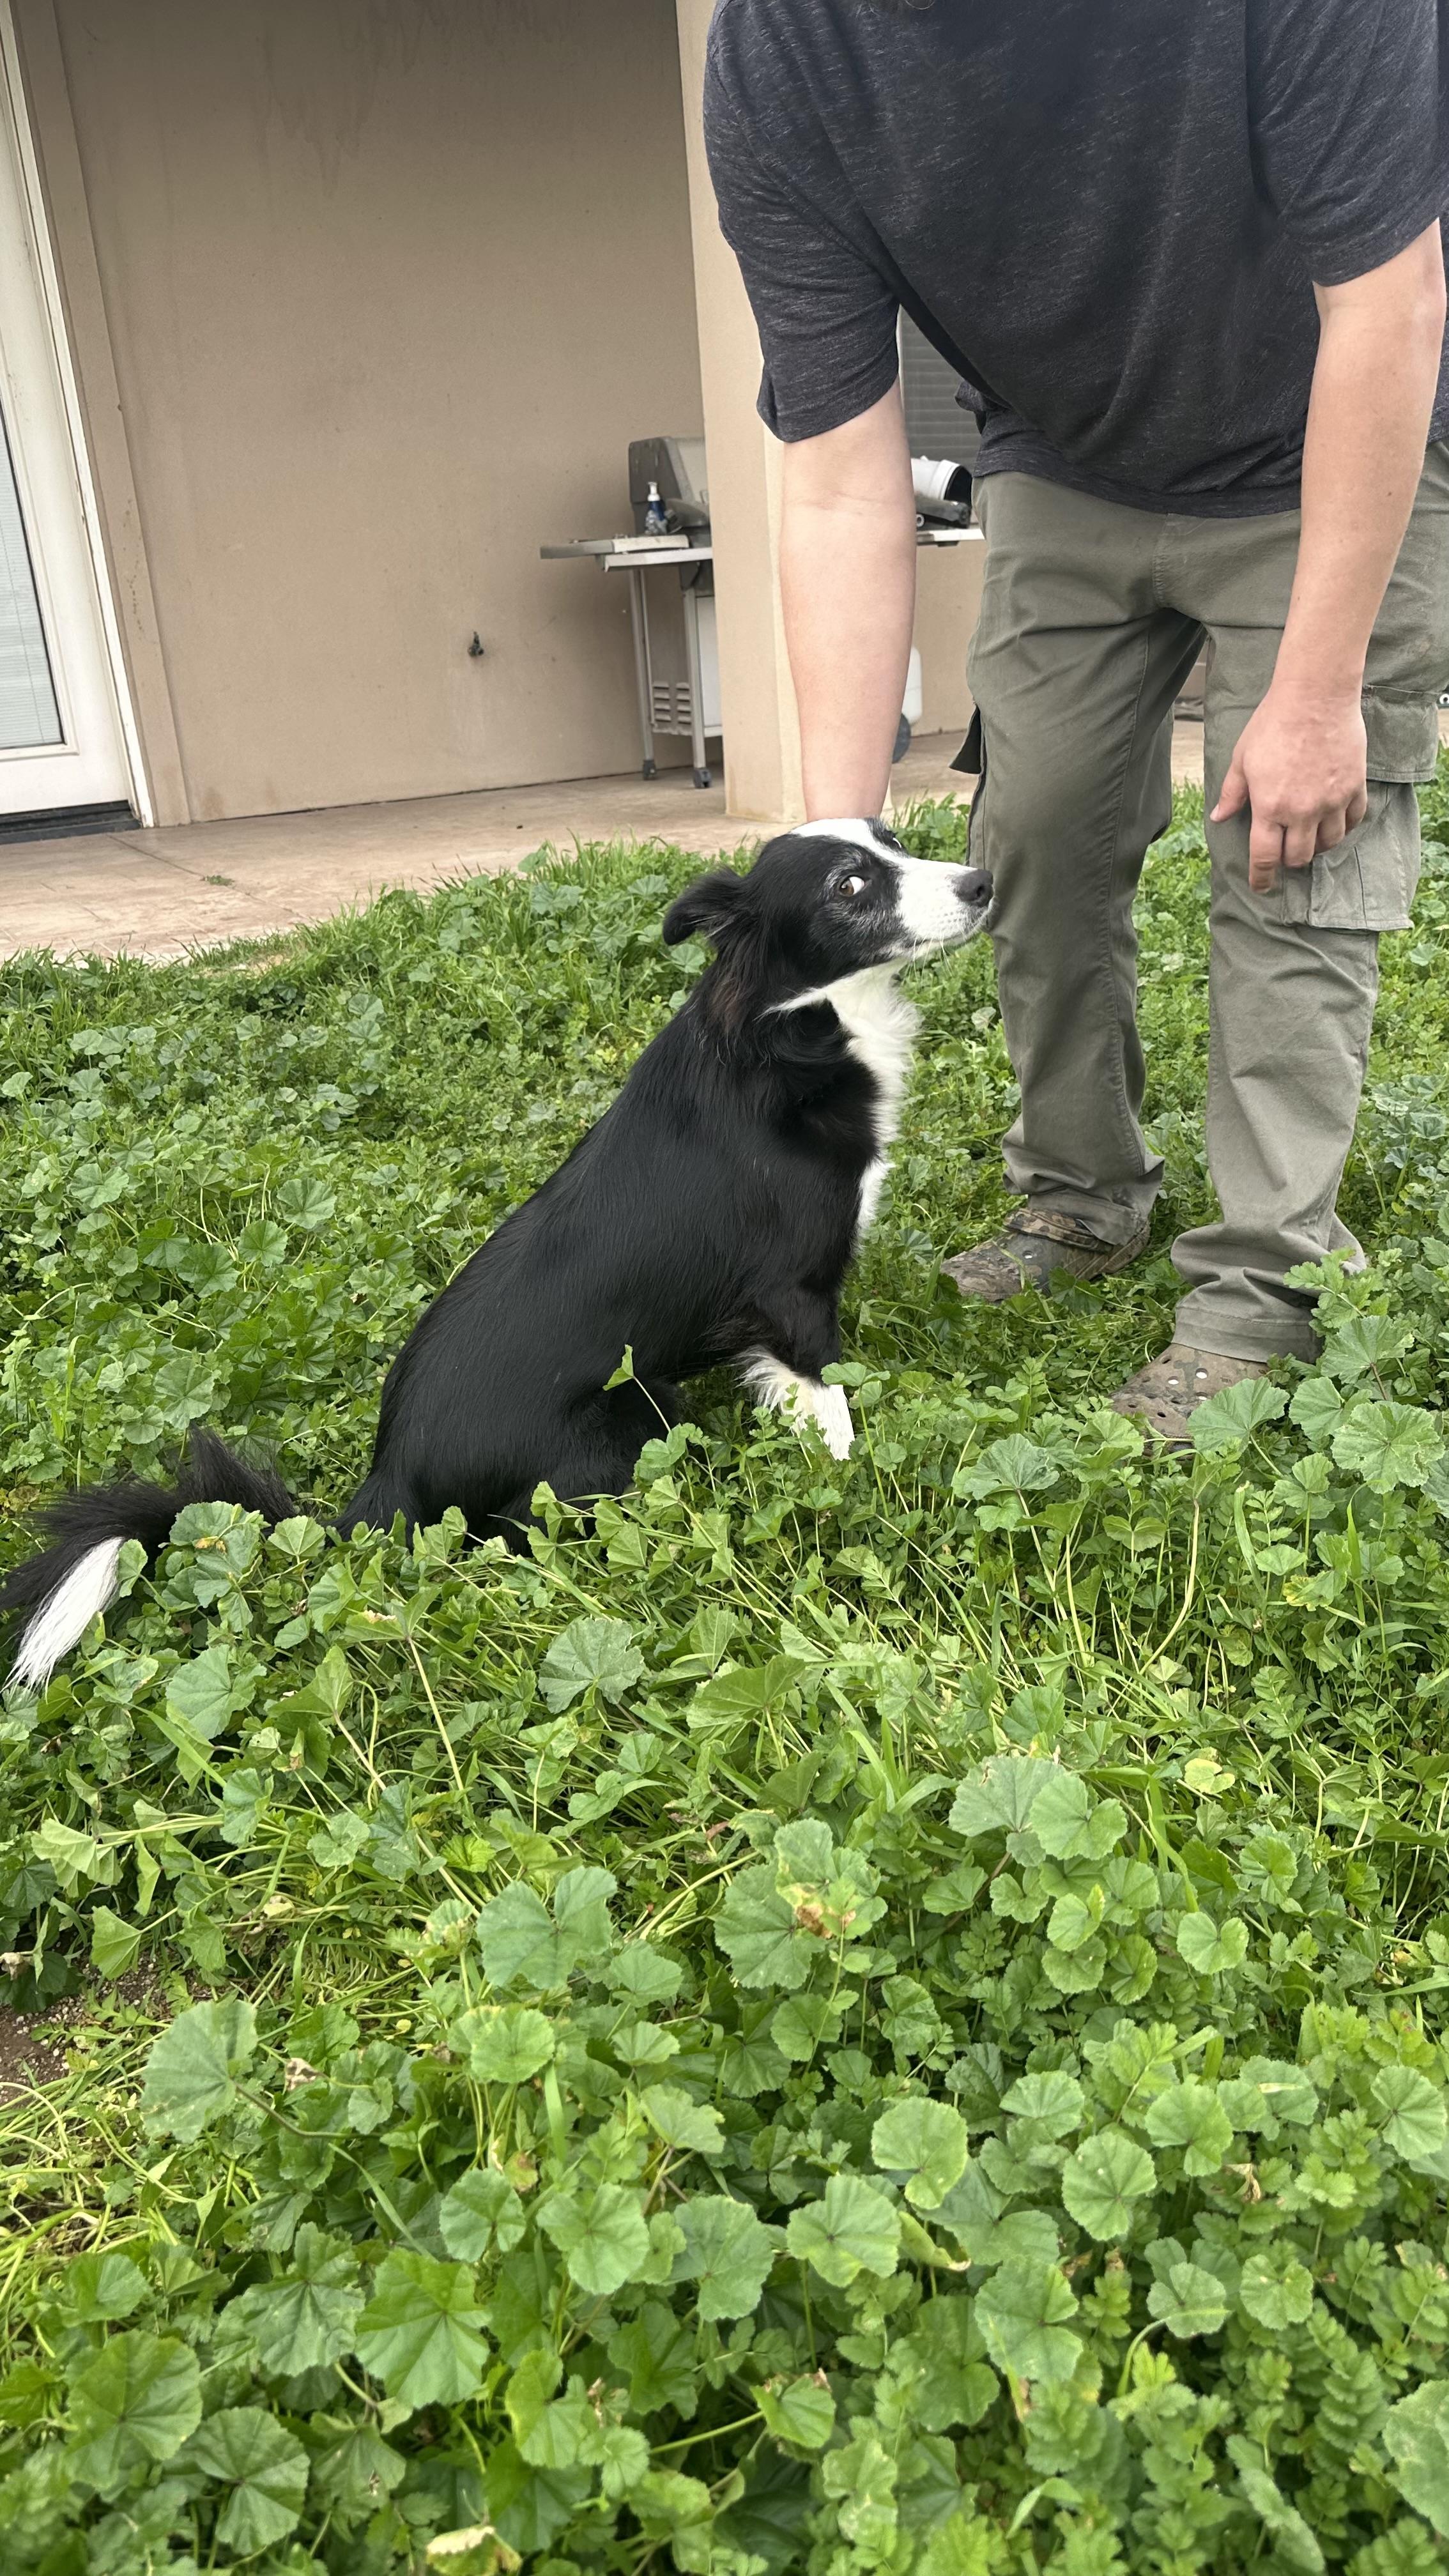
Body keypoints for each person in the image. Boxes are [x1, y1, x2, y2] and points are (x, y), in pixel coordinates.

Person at [703, 0, 1449, 1441]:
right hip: (1066, 456)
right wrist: (831, 852)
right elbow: (841, 475)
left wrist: (1315, 696)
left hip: (1333, 428)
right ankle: (1082, 1194)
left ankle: (1265, 1288)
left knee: (1290, 843)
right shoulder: (787, 46)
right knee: (1031, 825)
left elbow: (1393, 303)